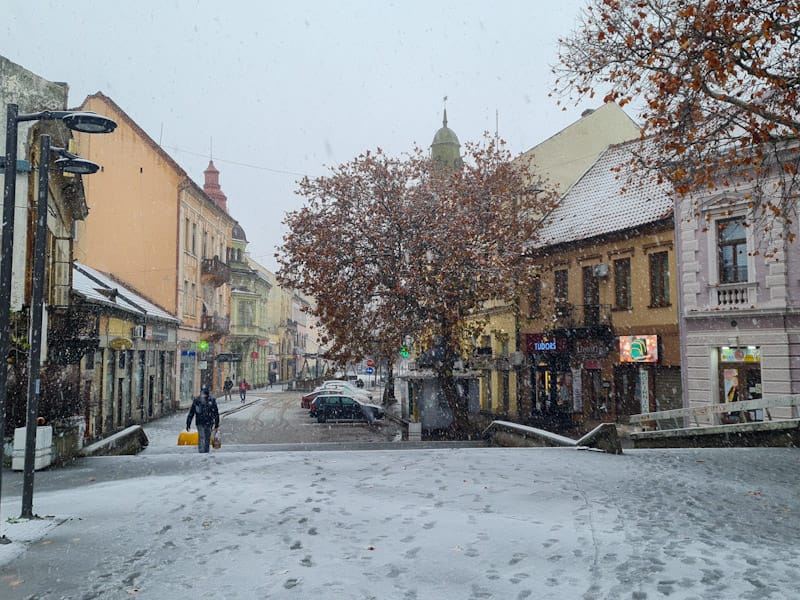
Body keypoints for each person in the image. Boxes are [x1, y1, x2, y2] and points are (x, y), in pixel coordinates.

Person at [186, 385, 219, 453]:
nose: (203, 395)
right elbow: (191, 413)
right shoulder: (197, 401)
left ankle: (206, 451)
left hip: (209, 422)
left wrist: (216, 424)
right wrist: (188, 423)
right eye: (202, 393)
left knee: (207, 438)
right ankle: (201, 452)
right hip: (200, 422)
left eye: (204, 394)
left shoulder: (211, 401)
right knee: (202, 437)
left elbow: (216, 413)